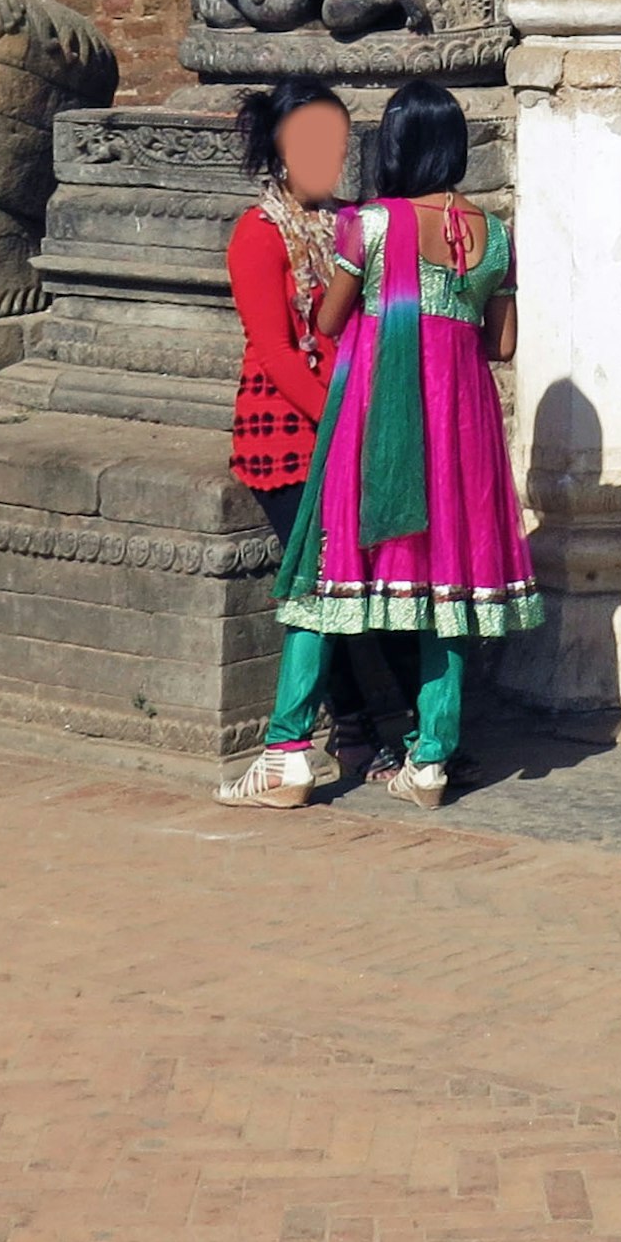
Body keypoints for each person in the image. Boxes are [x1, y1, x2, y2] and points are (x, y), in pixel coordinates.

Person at [223, 83, 537, 812]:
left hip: (371, 422)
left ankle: (286, 752)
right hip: (460, 430)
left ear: (388, 146)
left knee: (319, 578)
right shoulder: (496, 230)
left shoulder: (367, 223)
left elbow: (329, 323)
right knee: (448, 586)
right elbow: (505, 342)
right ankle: (428, 757)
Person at [213, 79, 403, 802]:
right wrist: (342, 421)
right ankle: (330, 737)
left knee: (346, 586)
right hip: (288, 435)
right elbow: (276, 352)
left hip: (352, 420)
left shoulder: (352, 223)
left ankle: (350, 737)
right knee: (324, 584)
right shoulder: (257, 234)